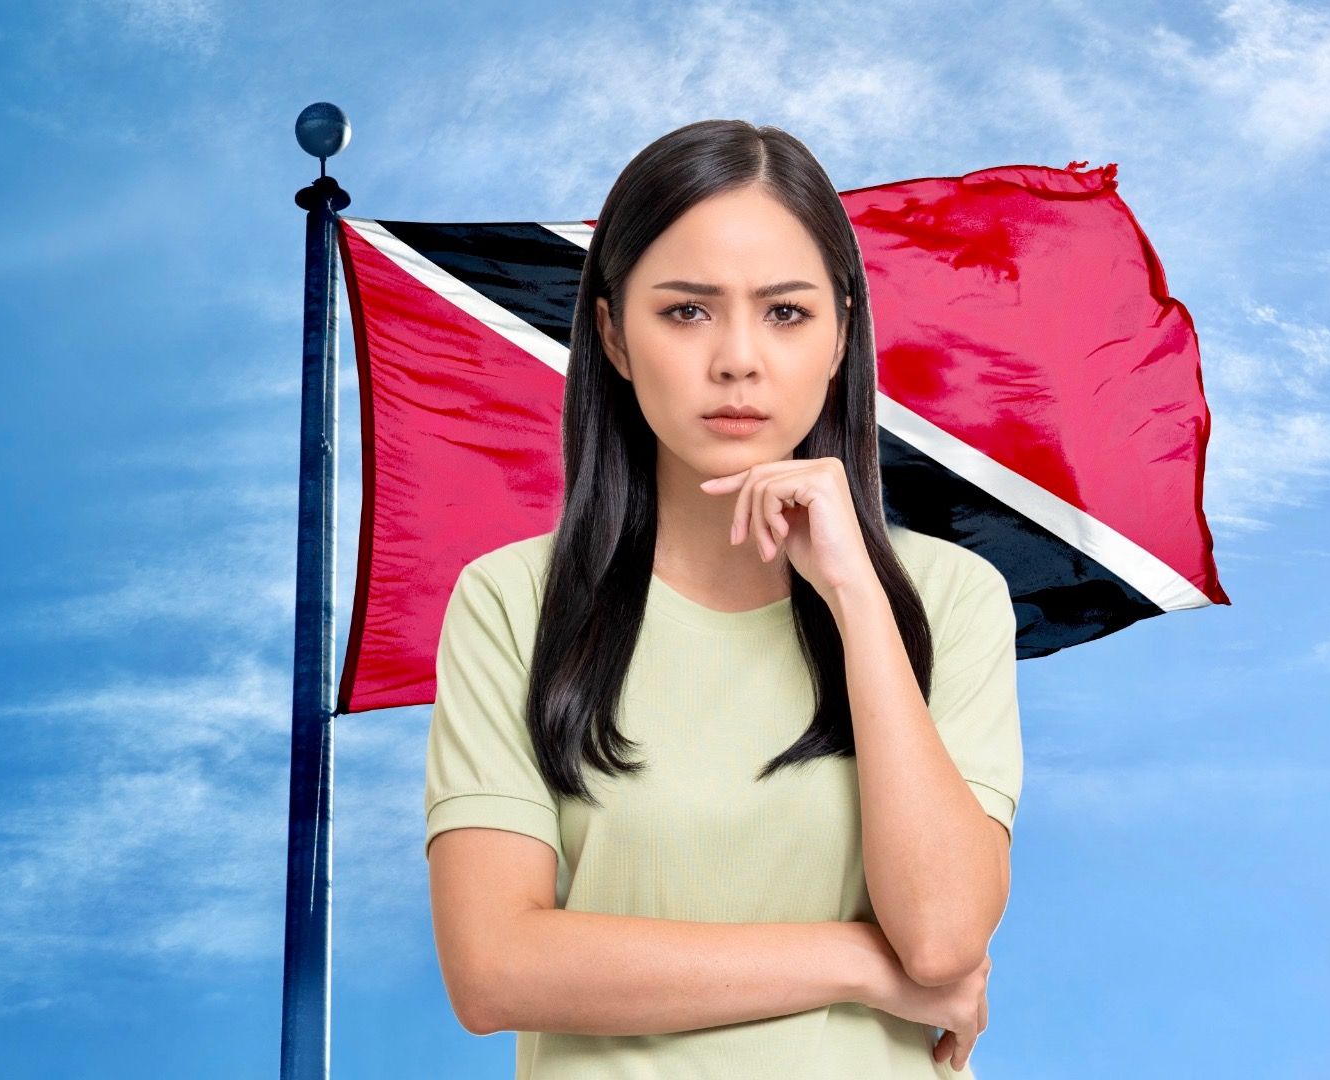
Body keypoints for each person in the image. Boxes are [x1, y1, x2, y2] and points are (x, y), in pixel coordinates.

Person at [424, 117, 1023, 1079]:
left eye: (786, 312)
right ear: (615, 335)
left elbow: (946, 938)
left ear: (841, 336)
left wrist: (859, 599)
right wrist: (860, 965)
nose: (738, 359)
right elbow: (494, 968)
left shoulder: (951, 598)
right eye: (687, 312)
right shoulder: (512, 602)